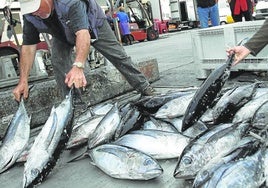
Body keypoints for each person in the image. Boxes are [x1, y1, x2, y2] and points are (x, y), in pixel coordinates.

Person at [12, 0, 156, 102]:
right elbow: (28, 47)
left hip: (94, 26)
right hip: (62, 33)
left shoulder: (70, 2)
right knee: (57, 61)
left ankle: (144, 88)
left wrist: (78, 66)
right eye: (31, 10)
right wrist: (23, 80)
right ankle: (74, 105)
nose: (35, 12)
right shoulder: (30, 16)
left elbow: (82, 34)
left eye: (37, 6)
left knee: (118, 57)